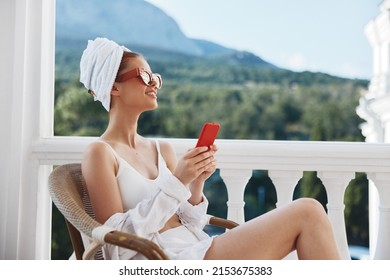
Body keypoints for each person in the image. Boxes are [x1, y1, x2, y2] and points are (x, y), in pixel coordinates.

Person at [79, 37, 341, 260]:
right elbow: (114, 244)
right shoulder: (100, 153)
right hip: (166, 259)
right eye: (145, 76)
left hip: (195, 246)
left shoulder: (162, 150)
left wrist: (195, 185)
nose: (154, 84)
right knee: (307, 211)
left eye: (156, 78)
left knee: (310, 212)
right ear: (113, 87)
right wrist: (178, 181)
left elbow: (190, 221)